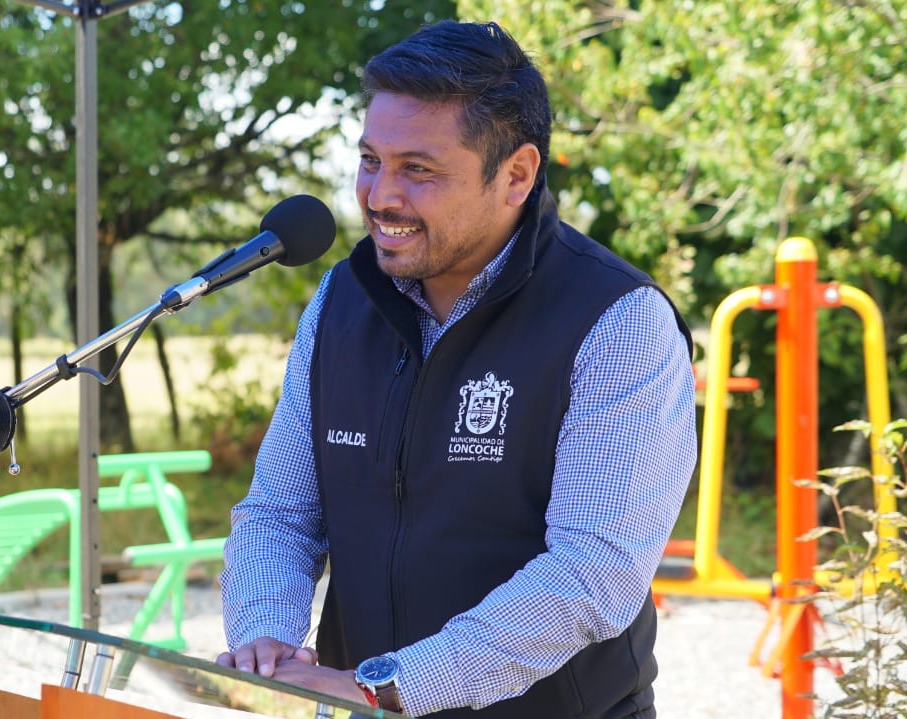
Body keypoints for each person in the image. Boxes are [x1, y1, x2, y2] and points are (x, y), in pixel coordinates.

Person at [216, 20, 697, 719]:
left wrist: (392, 682)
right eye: (371, 160)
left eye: (418, 169)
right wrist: (264, 637)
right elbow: (279, 515)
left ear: (517, 174)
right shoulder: (339, 302)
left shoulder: (618, 320)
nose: (380, 196)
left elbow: (591, 575)